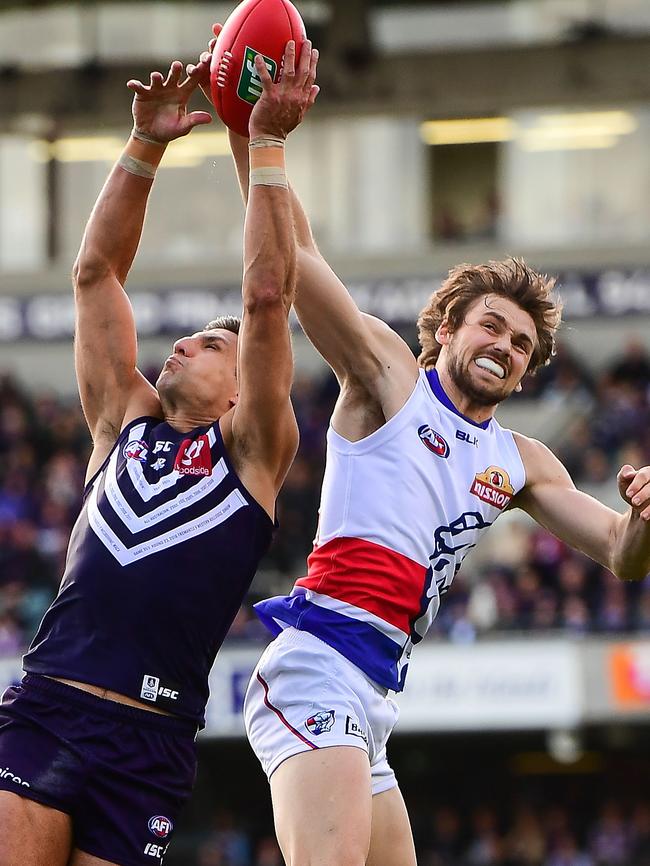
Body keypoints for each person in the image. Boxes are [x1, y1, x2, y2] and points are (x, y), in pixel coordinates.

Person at [226, 124, 650, 866]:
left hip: (374, 697)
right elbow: (295, 260)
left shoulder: (520, 460)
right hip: (318, 662)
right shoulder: (389, 376)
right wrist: (254, 136)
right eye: (491, 325)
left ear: (525, 373)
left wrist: (647, 518)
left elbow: (623, 555)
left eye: (521, 345)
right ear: (448, 327)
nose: (504, 346)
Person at [0, 39, 318, 866]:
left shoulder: (253, 450)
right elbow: (95, 273)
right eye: (189, 336)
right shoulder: (122, 422)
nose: (185, 344)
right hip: (45, 710)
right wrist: (145, 144)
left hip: (150, 743)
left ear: (244, 386)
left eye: (213, 345)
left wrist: (268, 146)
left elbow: (267, 293)